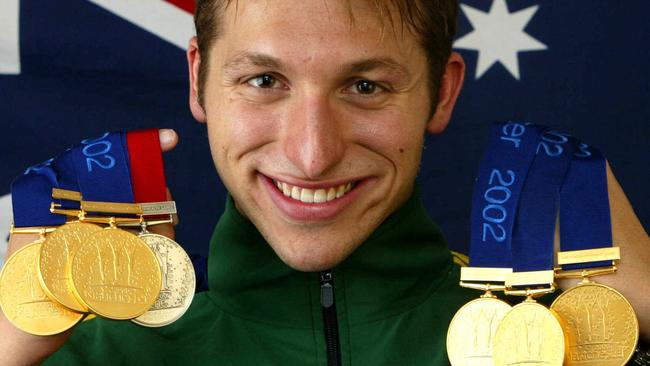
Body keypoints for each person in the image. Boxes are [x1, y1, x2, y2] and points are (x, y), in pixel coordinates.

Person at [1, 1, 648, 365]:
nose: (312, 154)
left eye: (365, 87)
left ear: (443, 93)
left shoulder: (568, 348)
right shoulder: (87, 355)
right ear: (198, 79)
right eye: (264, 81)